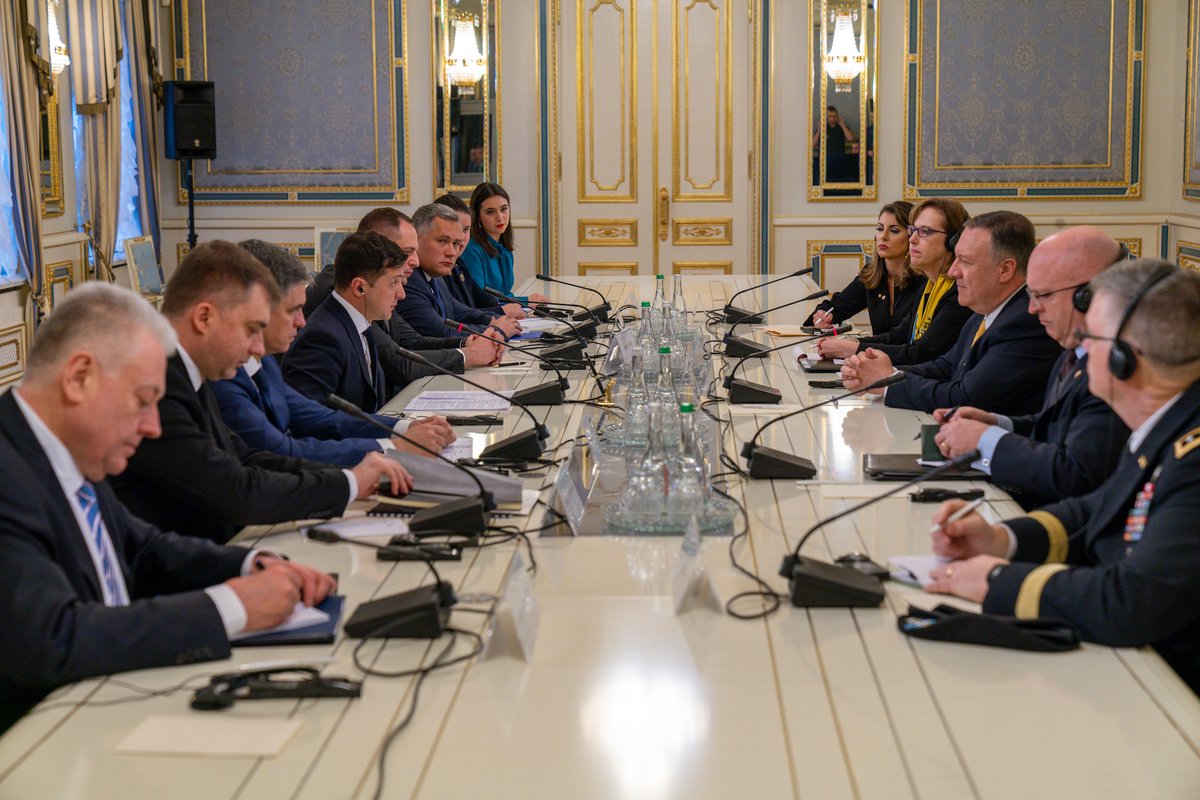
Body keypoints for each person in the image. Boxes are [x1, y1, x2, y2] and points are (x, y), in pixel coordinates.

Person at [0, 282, 339, 732]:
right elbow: (51, 638)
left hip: (106, 704)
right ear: (79, 377)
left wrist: (251, 565)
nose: (153, 427)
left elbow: (142, 549)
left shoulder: (69, 451)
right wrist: (230, 607)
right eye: (143, 401)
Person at [925, 260, 1200, 694]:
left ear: (1125, 360)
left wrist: (998, 581)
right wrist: (1002, 540)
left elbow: (1132, 602)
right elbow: (1098, 509)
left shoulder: (1192, 457)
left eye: (1092, 338)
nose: (1081, 350)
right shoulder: (1170, 422)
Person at [111, 241, 411, 544]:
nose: (258, 348)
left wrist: (350, 479)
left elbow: (247, 456)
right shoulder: (161, 383)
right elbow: (235, 490)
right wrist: (350, 483)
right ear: (204, 318)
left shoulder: (187, 371)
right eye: (251, 329)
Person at [931, 227, 1130, 508]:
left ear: (1089, 296)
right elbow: (1055, 429)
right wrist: (997, 423)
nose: (1032, 308)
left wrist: (986, 440)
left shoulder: (1116, 369)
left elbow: (1076, 472)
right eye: (1030, 294)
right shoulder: (1074, 350)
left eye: (1043, 295)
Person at [212, 240, 455, 467]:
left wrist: (405, 428)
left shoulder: (264, 362)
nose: (301, 321)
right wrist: (394, 447)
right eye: (292, 310)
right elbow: (281, 450)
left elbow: (319, 416)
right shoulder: (224, 377)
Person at [840, 210, 1060, 416]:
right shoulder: (985, 309)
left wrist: (888, 381)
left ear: (1005, 269)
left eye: (965, 261)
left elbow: (966, 398)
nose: (953, 272)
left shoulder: (1026, 322)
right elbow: (946, 366)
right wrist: (877, 371)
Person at [303, 209, 501, 379]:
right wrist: (470, 355)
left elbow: (412, 342)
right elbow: (396, 361)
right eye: (406, 252)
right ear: (377, 246)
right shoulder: (340, 289)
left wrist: (467, 343)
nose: (415, 261)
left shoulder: (383, 285)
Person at [818, 198, 973, 363]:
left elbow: (922, 354)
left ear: (953, 242)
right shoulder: (930, 286)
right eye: (913, 230)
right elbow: (899, 336)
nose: (912, 239)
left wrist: (853, 350)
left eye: (925, 231)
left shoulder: (959, 293)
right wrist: (850, 344)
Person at [394, 204, 523, 339]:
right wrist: (496, 330)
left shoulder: (436, 276)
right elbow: (441, 332)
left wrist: (496, 320)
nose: (452, 252)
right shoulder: (408, 280)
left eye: (455, 243)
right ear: (416, 239)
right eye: (442, 241)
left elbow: (461, 312)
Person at [806, 201, 924, 342]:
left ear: (912, 237)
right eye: (880, 229)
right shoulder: (873, 274)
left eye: (894, 231)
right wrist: (823, 313)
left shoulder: (924, 280)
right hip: (875, 353)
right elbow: (837, 306)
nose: (883, 236)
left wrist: (855, 344)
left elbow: (903, 339)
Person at [460, 182, 551, 307]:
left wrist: (525, 303)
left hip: (505, 312)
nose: (500, 217)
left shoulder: (504, 247)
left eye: (503, 209)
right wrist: (526, 301)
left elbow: (505, 294)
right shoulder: (472, 251)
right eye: (490, 212)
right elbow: (478, 302)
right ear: (477, 216)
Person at [435, 193, 524, 319]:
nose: (461, 238)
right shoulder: (470, 252)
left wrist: (512, 308)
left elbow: (483, 299)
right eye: (490, 212)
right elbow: (459, 314)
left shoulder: (459, 264)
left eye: (466, 229)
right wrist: (501, 312)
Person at [810, 105, 857, 182]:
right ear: (826, 117)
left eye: (834, 116)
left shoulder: (842, 127)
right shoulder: (823, 128)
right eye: (830, 116)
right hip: (825, 161)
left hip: (839, 160)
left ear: (837, 117)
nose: (832, 119)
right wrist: (819, 131)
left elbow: (850, 138)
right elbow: (812, 145)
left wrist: (842, 125)